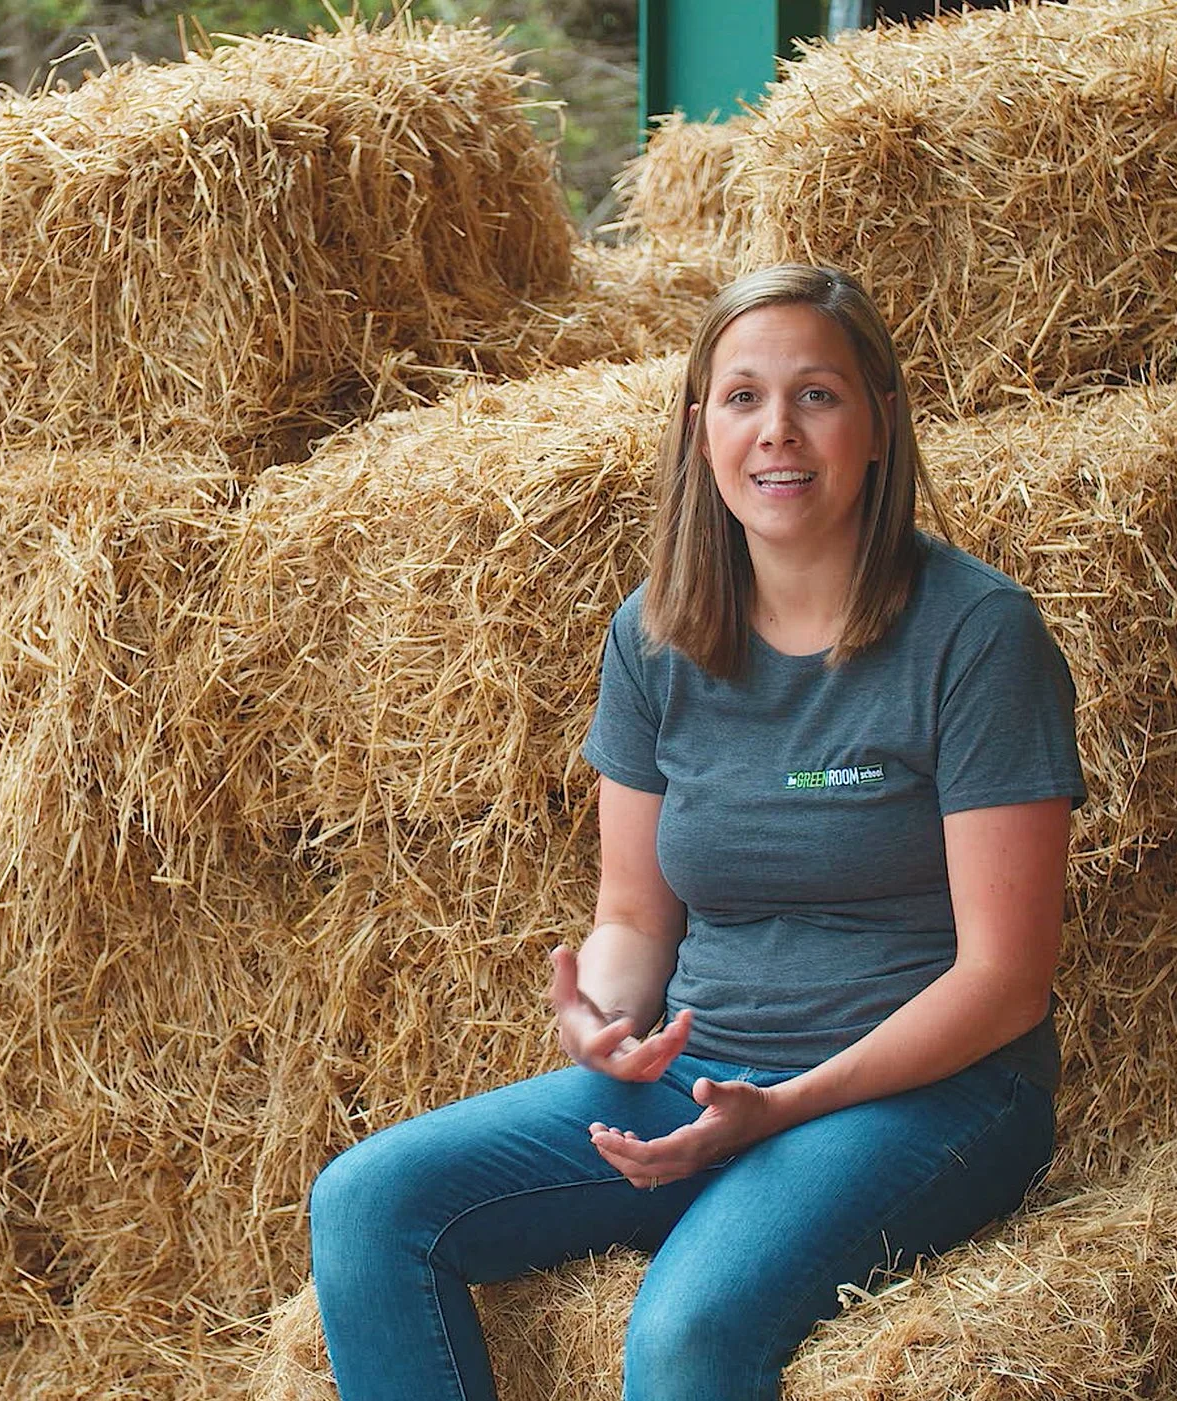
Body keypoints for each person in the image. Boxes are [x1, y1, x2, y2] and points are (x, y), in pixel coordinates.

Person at [307, 264, 1085, 1401]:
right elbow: (632, 917)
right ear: (699, 430)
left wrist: (782, 1112)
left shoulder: (976, 637)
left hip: (928, 1094)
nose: (777, 431)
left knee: (684, 1332)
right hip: (710, 1074)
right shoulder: (657, 637)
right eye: (741, 398)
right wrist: (604, 1021)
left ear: (879, 423)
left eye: (816, 395)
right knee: (370, 1202)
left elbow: (1006, 982)